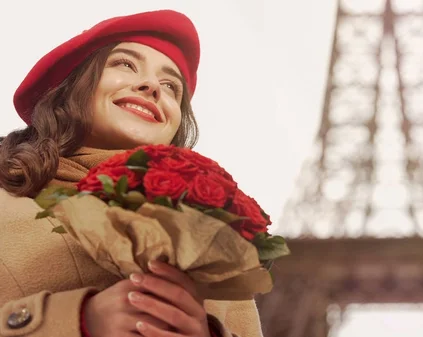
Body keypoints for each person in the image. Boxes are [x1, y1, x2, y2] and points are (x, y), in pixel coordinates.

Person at [0, 10, 263, 337]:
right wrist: (78, 320)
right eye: (125, 63)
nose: (153, 86)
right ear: (69, 88)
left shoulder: (213, 246)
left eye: (171, 87)